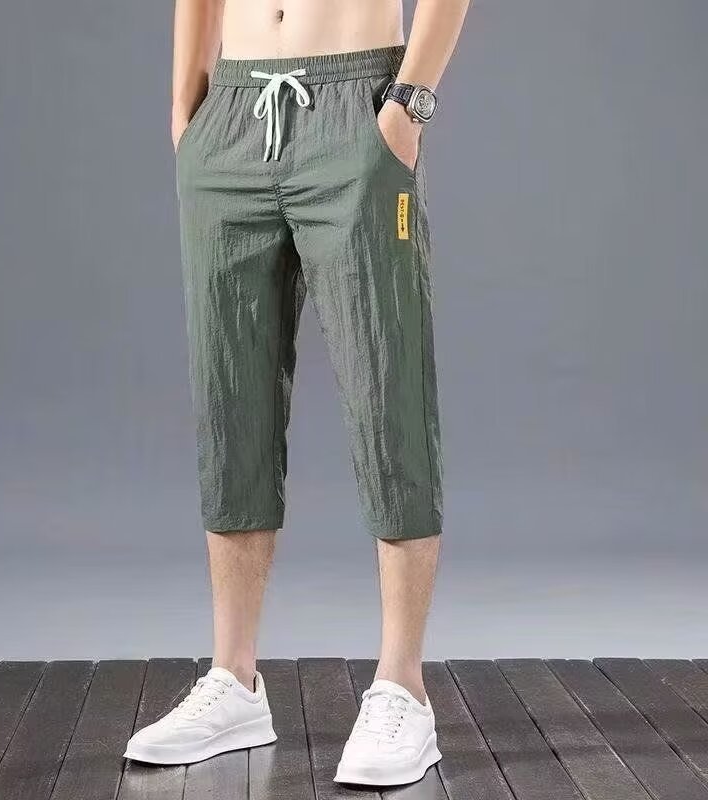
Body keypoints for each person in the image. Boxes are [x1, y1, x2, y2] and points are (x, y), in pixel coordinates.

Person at [124, 0, 469, 787]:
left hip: (358, 107)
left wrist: (407, 106)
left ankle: (402, 688)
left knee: (388, 390)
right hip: (231, 114)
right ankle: (234, 680)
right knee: (230, 399)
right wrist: (186, 109)